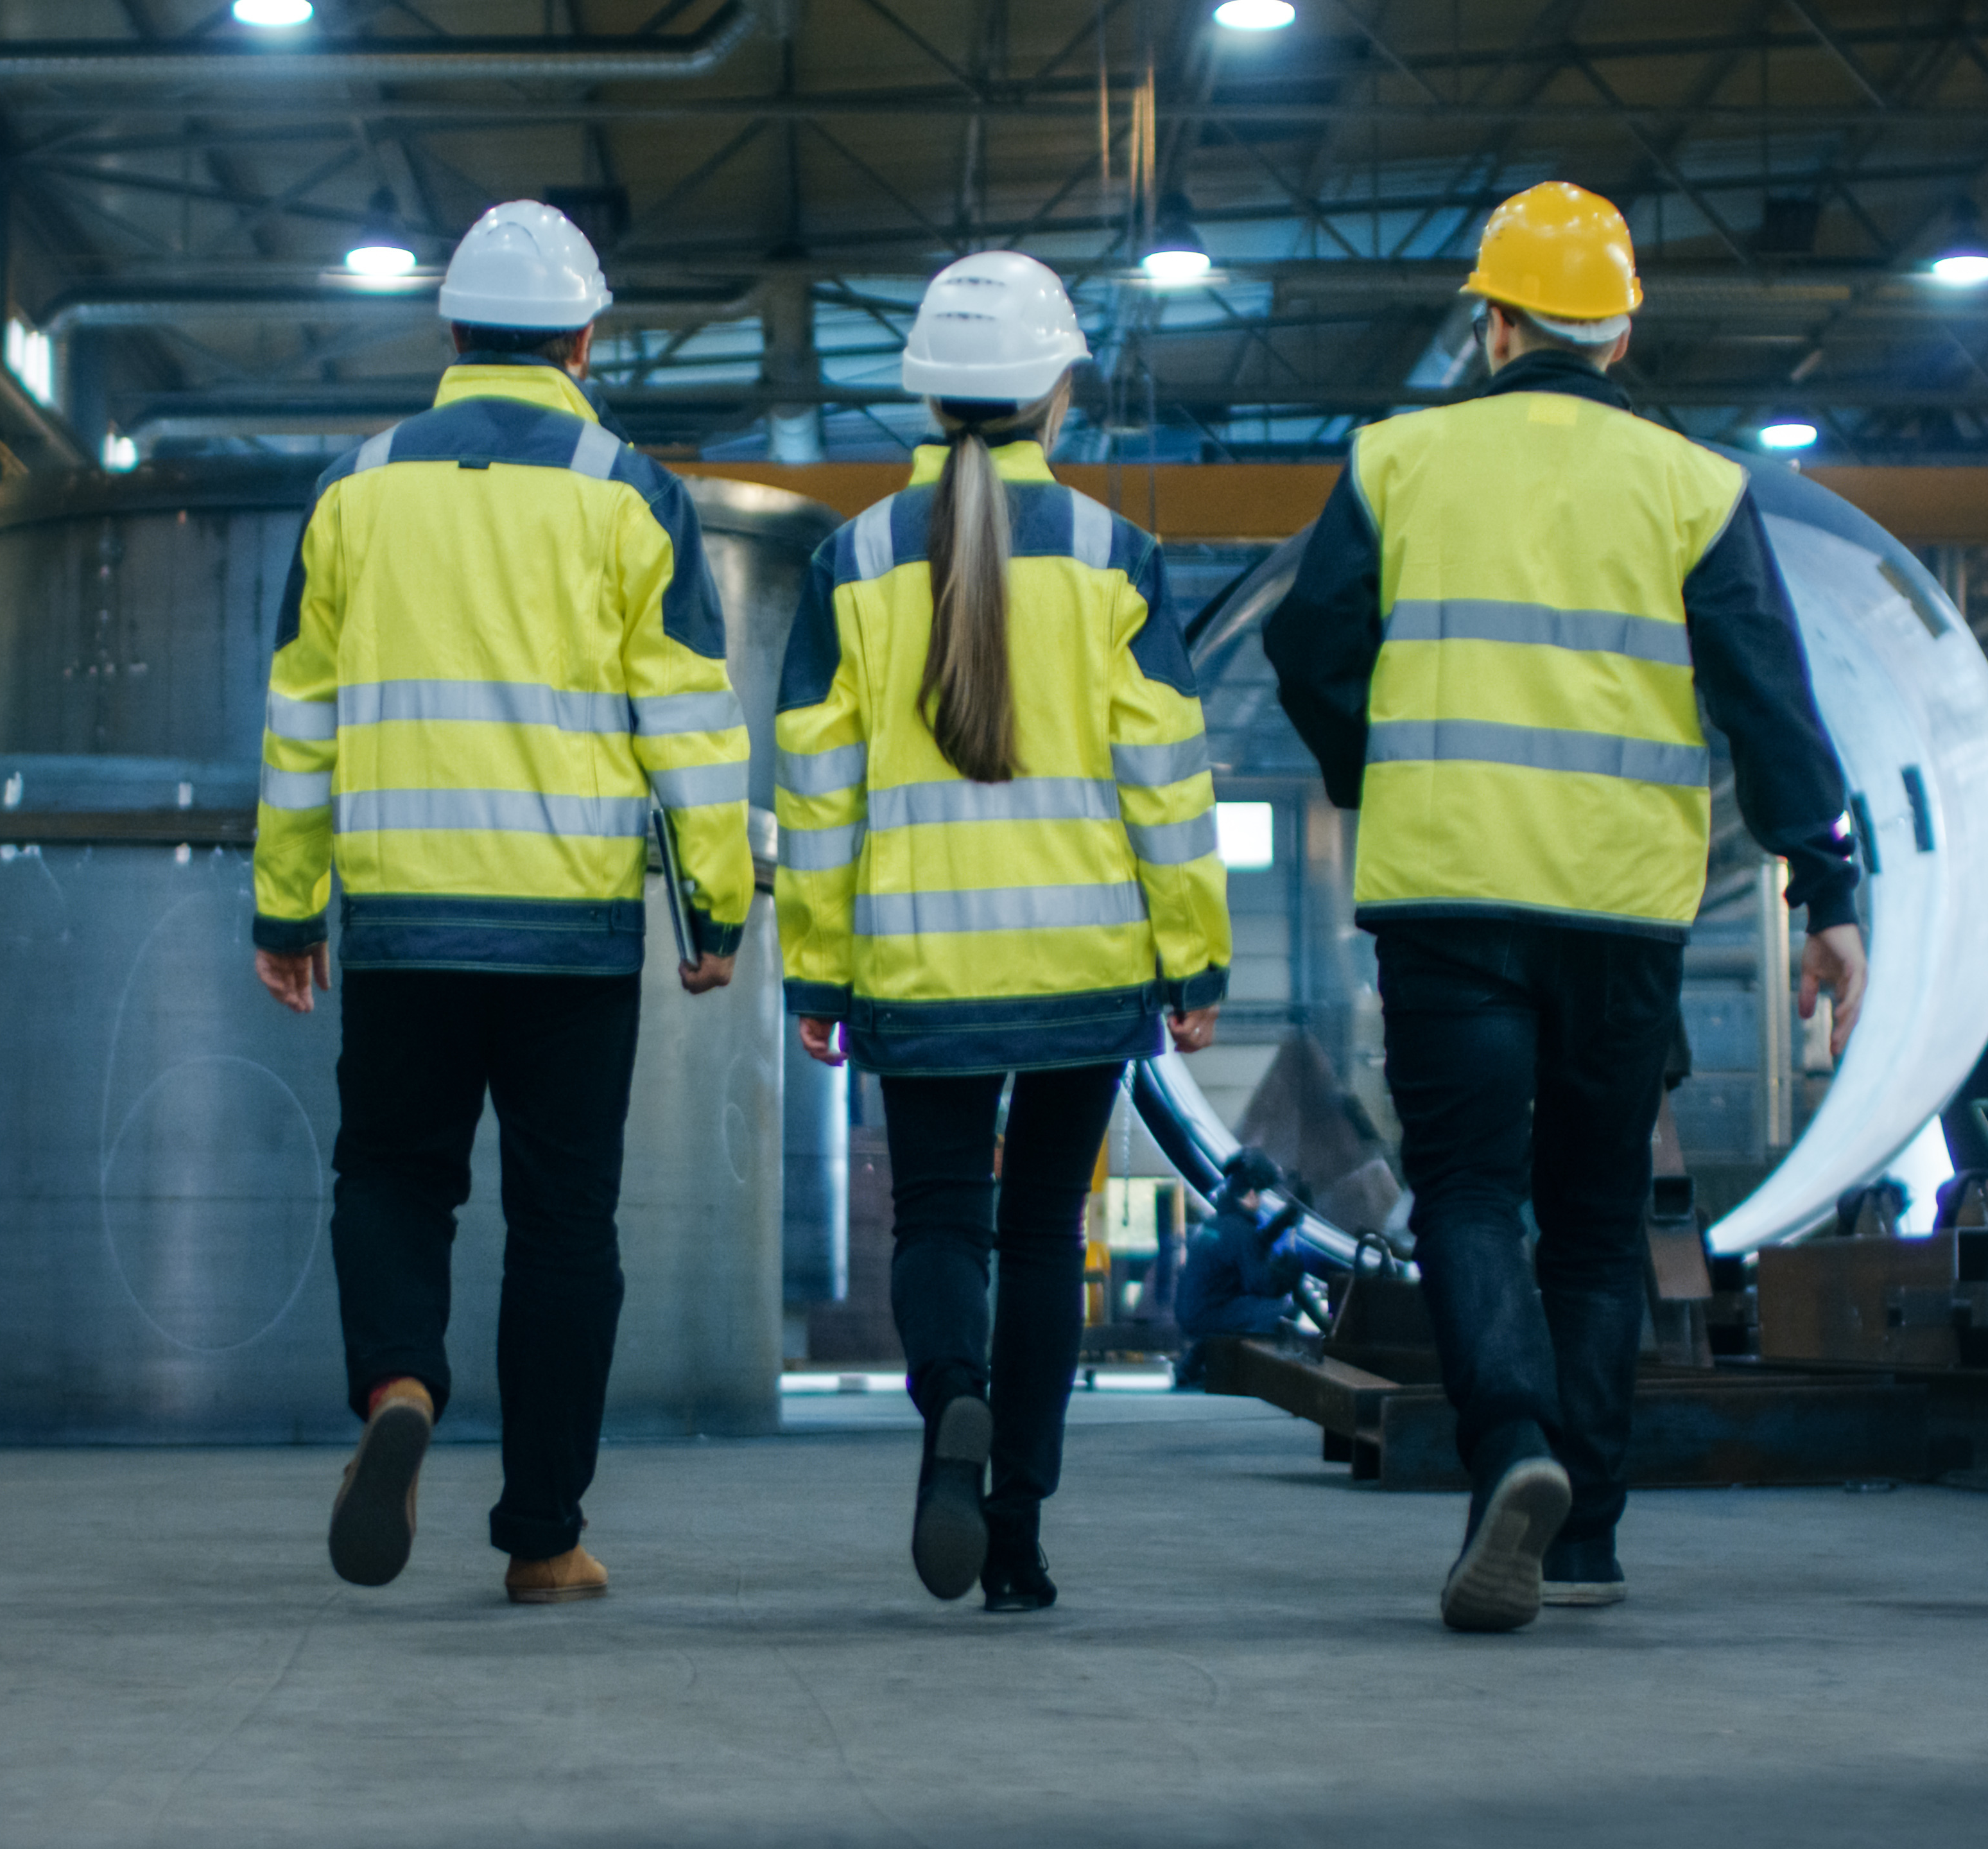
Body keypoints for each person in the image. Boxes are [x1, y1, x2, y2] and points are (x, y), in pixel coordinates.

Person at [1265, 180, 1871, 1633]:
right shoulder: (1693, 486)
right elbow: (1766, 701)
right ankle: (1584, 1536)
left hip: (1447, 892)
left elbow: (1306, 642)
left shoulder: (1397, 460)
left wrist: (1372, 767)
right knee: (1597, 1224)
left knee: (1467, 1192)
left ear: (1494, 325)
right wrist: (1826, 888)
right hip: (1618, 906)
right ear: (1613, 340)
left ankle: (1511, 1454)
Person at [252, 200, 753, 1606]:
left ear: (452, 335)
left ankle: (400, 1385)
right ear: (585, 342)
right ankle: (543, 1537)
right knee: (564, 1225)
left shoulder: (355, 490)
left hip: (405, 920)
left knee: (394, 1176)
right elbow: (693, 730)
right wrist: (714, 910)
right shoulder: (629, 490)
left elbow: (301, 720)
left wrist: (287, 914)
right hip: (569, 931)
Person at [779, 251, 1230, 1613]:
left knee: (937, 1223)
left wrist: (816, 963)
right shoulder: (1114, 555)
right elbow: (1167, 784)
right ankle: (1018, 1534)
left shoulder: (848, 561)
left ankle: (950, 1413)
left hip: (918, 965)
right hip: (1083, 968)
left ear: (925, 397)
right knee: (1042, 1236)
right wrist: (1192, 956)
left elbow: (814, 789)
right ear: (1055, 394)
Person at [1171, 1149, 1339, 1384]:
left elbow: (1249, 1248)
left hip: (1193, 1310)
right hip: (1210, 1313)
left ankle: (1192, 1364)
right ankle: (1294, 1369)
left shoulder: (1220, 1223)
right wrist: (1288, 1271)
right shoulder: (1240, 1231)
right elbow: (1261, 1284)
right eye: (1260, 1193)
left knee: (1244, 1313)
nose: (1260, 1200)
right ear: (1250, 1193)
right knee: (1279, 1310)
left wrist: (1283, 1221)